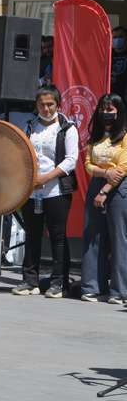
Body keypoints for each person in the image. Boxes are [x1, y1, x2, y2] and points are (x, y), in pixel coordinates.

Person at [12, 86, 78, 298]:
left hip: (56, 190)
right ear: (36, 105)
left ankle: (59, 282)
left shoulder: (67, 128)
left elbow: (71, 160)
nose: (46, 108)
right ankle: (30, 280)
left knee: (57, 236)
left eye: (50, 104)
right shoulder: (29, 126)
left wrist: (46, 178)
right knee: (32, 234)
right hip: (32, 191)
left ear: (58, 104)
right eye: (42, 104)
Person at [80, 93, 127, 304]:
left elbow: (123, 167)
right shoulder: (96, 136)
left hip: (119, 188)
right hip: (98, 183)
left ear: (118, 111)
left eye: (111, 109)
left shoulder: (125, 136)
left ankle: (119, 291)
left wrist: (106, 189)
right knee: (93, 236)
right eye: (103, 109)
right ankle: (91, 286)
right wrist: (103, 174)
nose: (106, 113)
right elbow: (88, 163)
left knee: (119, 238)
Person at [111, 26, 127, 101]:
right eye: (115, 37)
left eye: (121, 37)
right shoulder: (108, 55)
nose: (117, 39)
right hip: (111, 97)